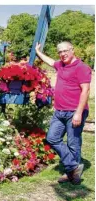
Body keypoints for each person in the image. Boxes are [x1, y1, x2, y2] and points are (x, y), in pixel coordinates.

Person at [35, 41, 91, 185]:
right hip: (59, 111)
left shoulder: (82, 68)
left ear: (72, 50)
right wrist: (38, 51)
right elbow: (50, 61)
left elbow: (85, 90)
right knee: (52, 138)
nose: (62, 54)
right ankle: (73, 167)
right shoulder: (60, 65)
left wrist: (78, 113)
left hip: (74, 111)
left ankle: (71, 174)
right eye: (60, 52)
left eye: (65, 51)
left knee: (73, 142)